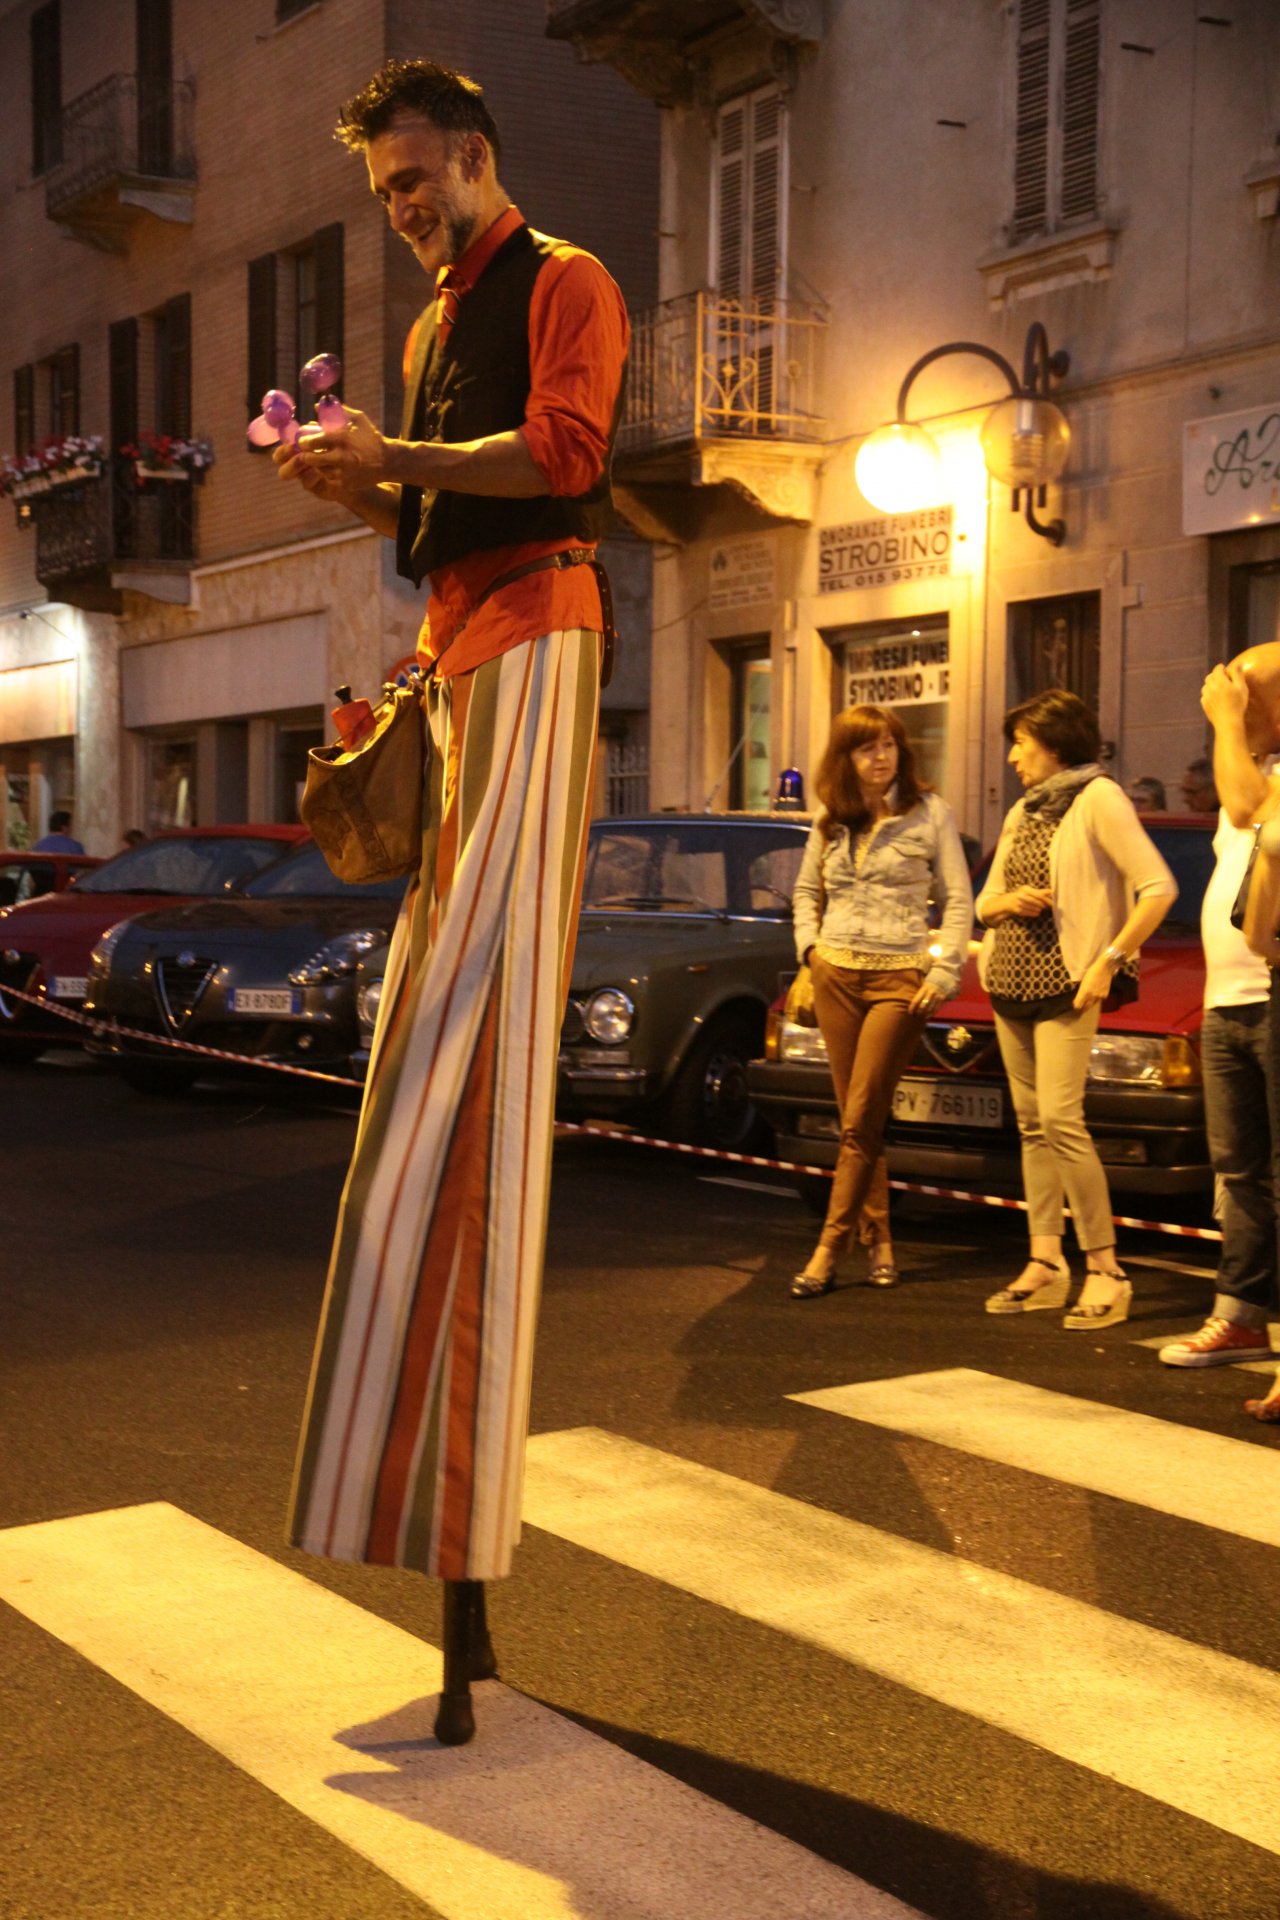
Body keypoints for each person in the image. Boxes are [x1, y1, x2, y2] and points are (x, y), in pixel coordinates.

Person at [277, 60, 628, 1583]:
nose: (404, 212)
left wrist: (397, 455)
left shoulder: (568, 278)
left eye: (416, 181)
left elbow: (564, 459)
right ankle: (410, 1464)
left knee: (474, 1036)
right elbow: (431, 530)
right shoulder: (424, 327)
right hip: (457, 651)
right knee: (427, 1035)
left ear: (476, 158)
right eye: (385, 195)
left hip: (544, 634)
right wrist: (351, 482)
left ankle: (446, 1461)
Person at [977, 690, 1176, 1328]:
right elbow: (985, 902)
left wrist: (1109, 959)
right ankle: (1045, 1262)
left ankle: (1107, 1269)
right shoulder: (1024, 810)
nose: (1012, 757)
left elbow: (1157, 887)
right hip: (1009, 980)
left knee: (1062, 1120)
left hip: (1067, 981)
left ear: (1054, 743)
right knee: (1032, 1124)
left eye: (1021, 743)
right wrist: (1007, 904)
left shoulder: (1099, 799)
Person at [788, 705, 973, 1298]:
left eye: (890, 745)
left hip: (899, 980)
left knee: (863, 1112)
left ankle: (827, 1247)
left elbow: (958, 898)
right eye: (867, 748)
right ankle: (881, 1241)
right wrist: (810, 952)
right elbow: (805, 891)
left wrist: (945, 974)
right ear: (846, 758)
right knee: (856, 1121)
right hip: (836, 973)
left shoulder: (930, 814)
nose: (881, 756)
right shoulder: (831, 818)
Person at [1197, 660, 1280, 1414]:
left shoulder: (1261, 772)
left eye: (1243, 694)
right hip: (1226, 1001)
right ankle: (1243, 1317)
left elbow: (1251, 811)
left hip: (1271, 995)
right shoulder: (1246, 762)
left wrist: (1228, 721)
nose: (1224, 702)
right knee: (1239, 1172)